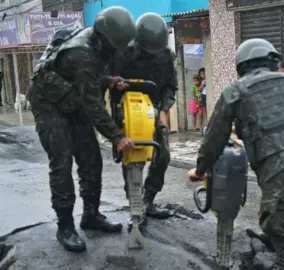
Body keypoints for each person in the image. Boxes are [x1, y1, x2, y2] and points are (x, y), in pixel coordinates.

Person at [187, 38, 284, 270]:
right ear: (272, 62)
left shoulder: (235, 91)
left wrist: (200, 169)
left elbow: (214, 138)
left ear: (242, 65)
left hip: (282, 177)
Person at [28, 6, 136, 253]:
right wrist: (118, 137)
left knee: (91, 159)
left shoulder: (97, 42)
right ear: (105, 38)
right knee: (62, 161)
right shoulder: (84, 53)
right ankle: (65, 226)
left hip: (72, 98)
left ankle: (91, 215)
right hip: (49, 105)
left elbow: (85, 79)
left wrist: (108, 81)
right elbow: (93, 106)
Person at [108, 12, 177, 227]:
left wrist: (164, 111)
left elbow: (170, 87)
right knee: (131, 155)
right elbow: (107, 82)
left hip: (153, 110)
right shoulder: (122, 54)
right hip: (126, 109)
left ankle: (148, 199)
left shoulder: (166, 56)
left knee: (163, 155)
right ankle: (135, 204)